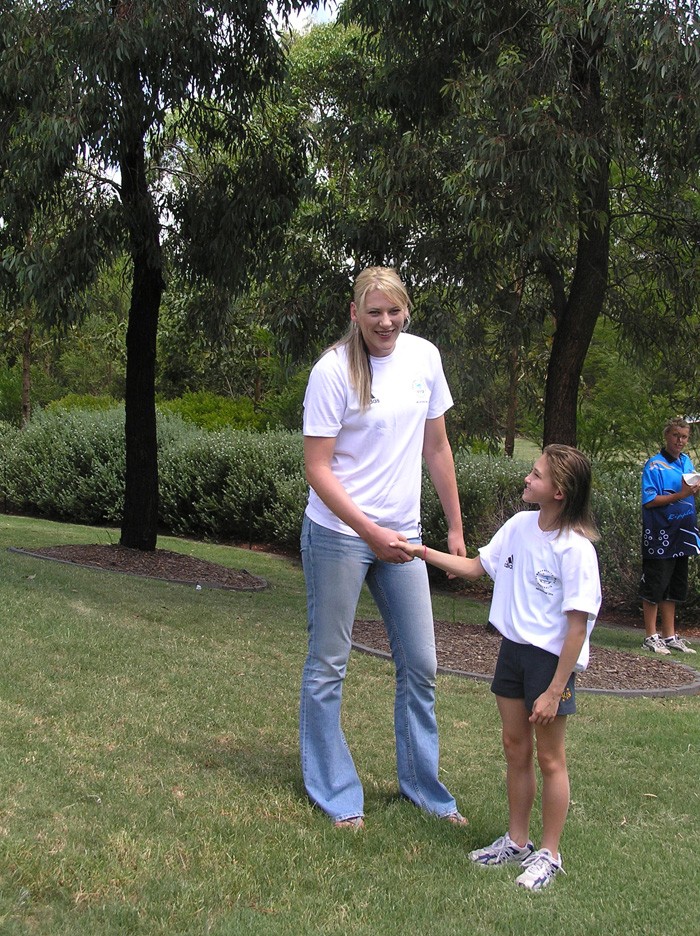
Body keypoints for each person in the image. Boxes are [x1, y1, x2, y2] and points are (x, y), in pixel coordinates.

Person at [299, 266, 467, 829]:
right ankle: (336, 791)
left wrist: (454, 530)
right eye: (374, 313)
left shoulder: (424, 357)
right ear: (355, 314)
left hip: (406, 537)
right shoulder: (332, 372)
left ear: (405, 311)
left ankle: (423, 787)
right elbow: (317, 469)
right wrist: (369, 532)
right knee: (329, 664)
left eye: (394, 311)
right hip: (340, 535)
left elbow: (437, 447)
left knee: (421, 662)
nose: (386, 322)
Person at [392, 445, 601, 890]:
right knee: (514, 747)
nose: (527, 479)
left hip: (550, 664)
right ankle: (517, 841)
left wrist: (554, 689)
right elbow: (474, 567)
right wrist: (420, 552)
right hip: (512, 653)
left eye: (536, 474)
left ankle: (550, 854)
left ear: (559, 491)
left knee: (550, 758)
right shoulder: (520, 526)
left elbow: (577, 629)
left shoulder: (577, 551)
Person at [639, 417, 699, 655]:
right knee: (655, 585)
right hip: (660, 534)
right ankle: (650, 636)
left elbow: (689, 491)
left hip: (682, 535)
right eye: (676, 435)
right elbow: (650, 500)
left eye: (684, 437)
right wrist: (682, 494)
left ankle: (669, 635)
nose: (680, 441)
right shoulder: (655, 466)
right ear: (667, 436)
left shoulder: (686, 462)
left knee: (674, 587)